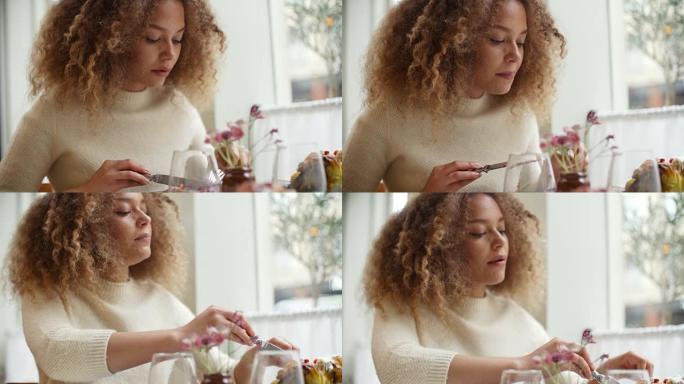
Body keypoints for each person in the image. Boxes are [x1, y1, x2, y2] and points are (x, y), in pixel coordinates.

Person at [364, 193, 654, 384]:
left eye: (502, 229)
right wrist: (521, 365)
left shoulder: (513, 315)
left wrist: (600, 374)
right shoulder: (402, 305)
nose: (499, 241)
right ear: (437, 245)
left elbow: (553, 377)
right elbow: (397, 367)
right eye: (478, 232)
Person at [5, 193, 295, 383]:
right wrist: (180, 337)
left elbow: (223, 375)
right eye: (123, 211)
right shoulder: (48, 293)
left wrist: (256, 358)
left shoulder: (160, 300)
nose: (145, 219)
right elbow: (58, 355)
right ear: (81, 228)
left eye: (145, 209)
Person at [0, 0, 225, 192]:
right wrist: (88, 191)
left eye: (177, 39)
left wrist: (229, 172)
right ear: (113, 39)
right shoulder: (54, 109)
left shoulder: (180, 108)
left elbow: (210, 184)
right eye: (153, 38)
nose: (169, 53)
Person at [343, 0, 566, 192]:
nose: (515, 56)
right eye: (497, 40)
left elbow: (531, 193)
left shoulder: (520, 115)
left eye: (521, 42)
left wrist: (557, 175)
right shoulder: (385, 119)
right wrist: (427, 199)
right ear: (455, 43)